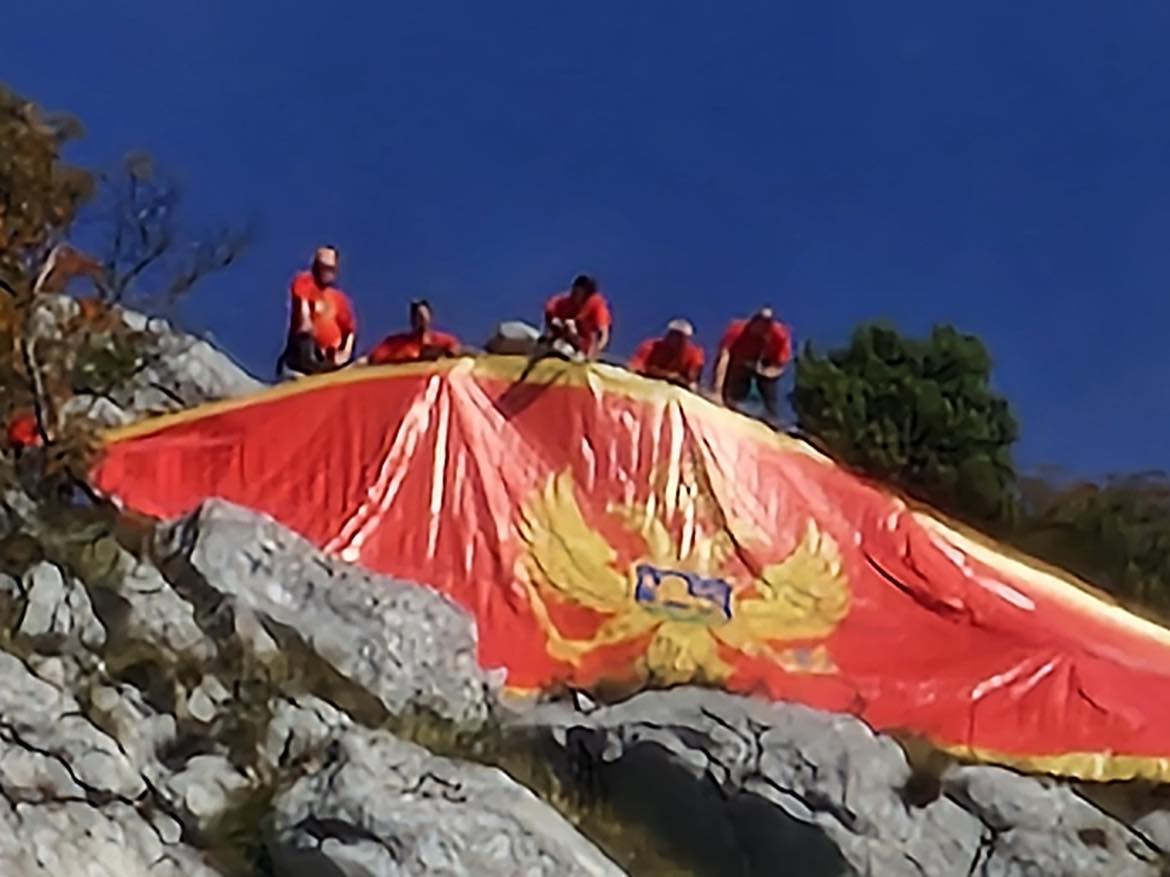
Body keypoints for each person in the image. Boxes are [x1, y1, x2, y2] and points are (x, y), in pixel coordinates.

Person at [277, 246, 356, 377]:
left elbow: (349, 329)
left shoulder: (339, 298)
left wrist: (345, 353)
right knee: (305, 340)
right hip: (305, 353)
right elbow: (303, 305)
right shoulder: (305, 282)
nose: (326, 272)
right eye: (323, 267)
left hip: (329, 357)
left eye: (330, 269)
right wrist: (306, 321)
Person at [712, 307, 792, 419]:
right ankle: (731, 401)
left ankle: (771, 416)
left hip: (764, 367)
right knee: (735, 385)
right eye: (759, 324)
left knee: (769, 388)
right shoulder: (736, 330)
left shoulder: (780, 335)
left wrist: (763, 371)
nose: (762, 330)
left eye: (766, 325)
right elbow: (724, 358)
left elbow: (779, 366)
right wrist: (717, 390)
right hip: (737, 364)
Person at [367, 299, 461, 365]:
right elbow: (374, 358)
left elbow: (456, 351)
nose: (421, 321)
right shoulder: (395, 343)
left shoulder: (444, 341)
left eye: (423, 317)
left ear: (430, 318)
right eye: (417, 317)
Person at [542, 274, 612, 360]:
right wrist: (553, 328)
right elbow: (549, 311)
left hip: (584, 349)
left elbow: (603, 334)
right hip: (562, 343)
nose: (575, 297)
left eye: (578, 293)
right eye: (574, 292)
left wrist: (593, 355)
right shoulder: (562, 303)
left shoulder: (597, 305)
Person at [629, 318, 705, 390]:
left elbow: (692, 380)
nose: (675, 340)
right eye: (673, 335)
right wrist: (665, 374)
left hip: (676, 390)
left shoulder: (694, 354)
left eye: (680, 337)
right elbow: (636, 366)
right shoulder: (651, 346)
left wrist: (678, 378)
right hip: (646, 384)